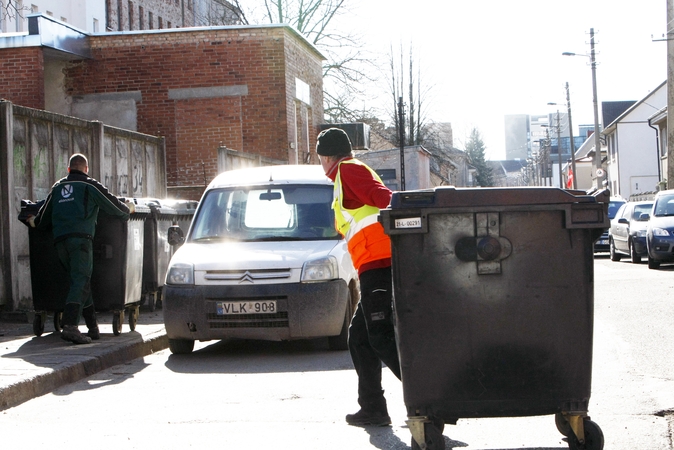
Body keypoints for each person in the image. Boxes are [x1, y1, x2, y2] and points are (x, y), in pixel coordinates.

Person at [316, 128, 401, 427]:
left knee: (379, 335)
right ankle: (373, 407)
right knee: (360, 338)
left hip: (380, 263)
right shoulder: (346, 175)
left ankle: (433, 392)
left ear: (326, 157)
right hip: (374, 263)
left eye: (320, 159)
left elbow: (386, 199)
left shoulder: (349, 170)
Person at [28, 153, 133, 344]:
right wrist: (127, 211)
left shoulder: (57, 188)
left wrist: (32, 221)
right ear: (86, 169)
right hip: (81, 241)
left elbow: (42, 220)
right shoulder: (90, 185)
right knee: (81, 280)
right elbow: (114, 206)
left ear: (68, 169)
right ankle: (70, 326)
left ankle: (92, 327)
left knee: (80, 281)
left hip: (60, 243)